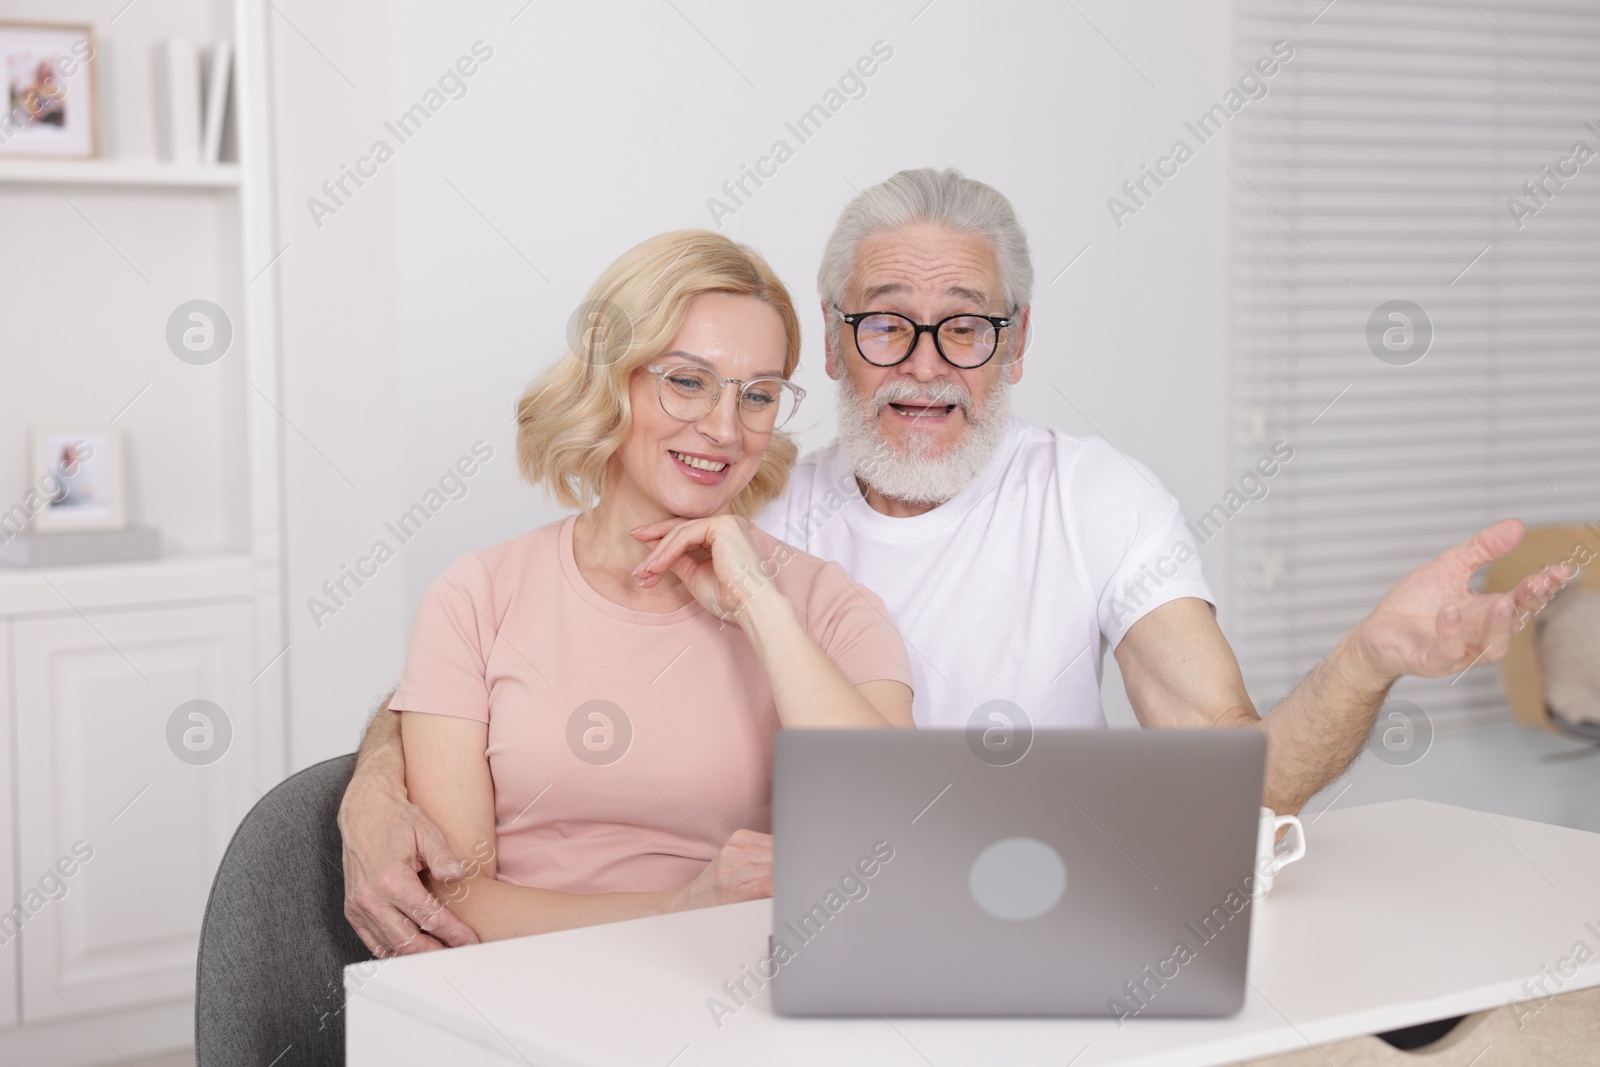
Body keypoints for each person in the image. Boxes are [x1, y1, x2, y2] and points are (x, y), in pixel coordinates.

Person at [339, 169, 1569, 957]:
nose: (925, 362)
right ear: (837, 343)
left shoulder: (1085, 499)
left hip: (1028, 925)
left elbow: (1226, 774)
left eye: (965, 325)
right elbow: (507, 656)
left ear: (1015, 342)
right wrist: (366, 783)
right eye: (885, 321)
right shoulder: (756, 497)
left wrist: (1366, 661)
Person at [370, 229, 913, 950]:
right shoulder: (475, 596)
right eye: (687, 381)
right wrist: (677, 909)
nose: (723, 428)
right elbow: (451, 900)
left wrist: (760, 607)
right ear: (611, 380)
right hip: (523, 996)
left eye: (758, 396)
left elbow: (898, 841)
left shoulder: (829, 606)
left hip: (738, 998)